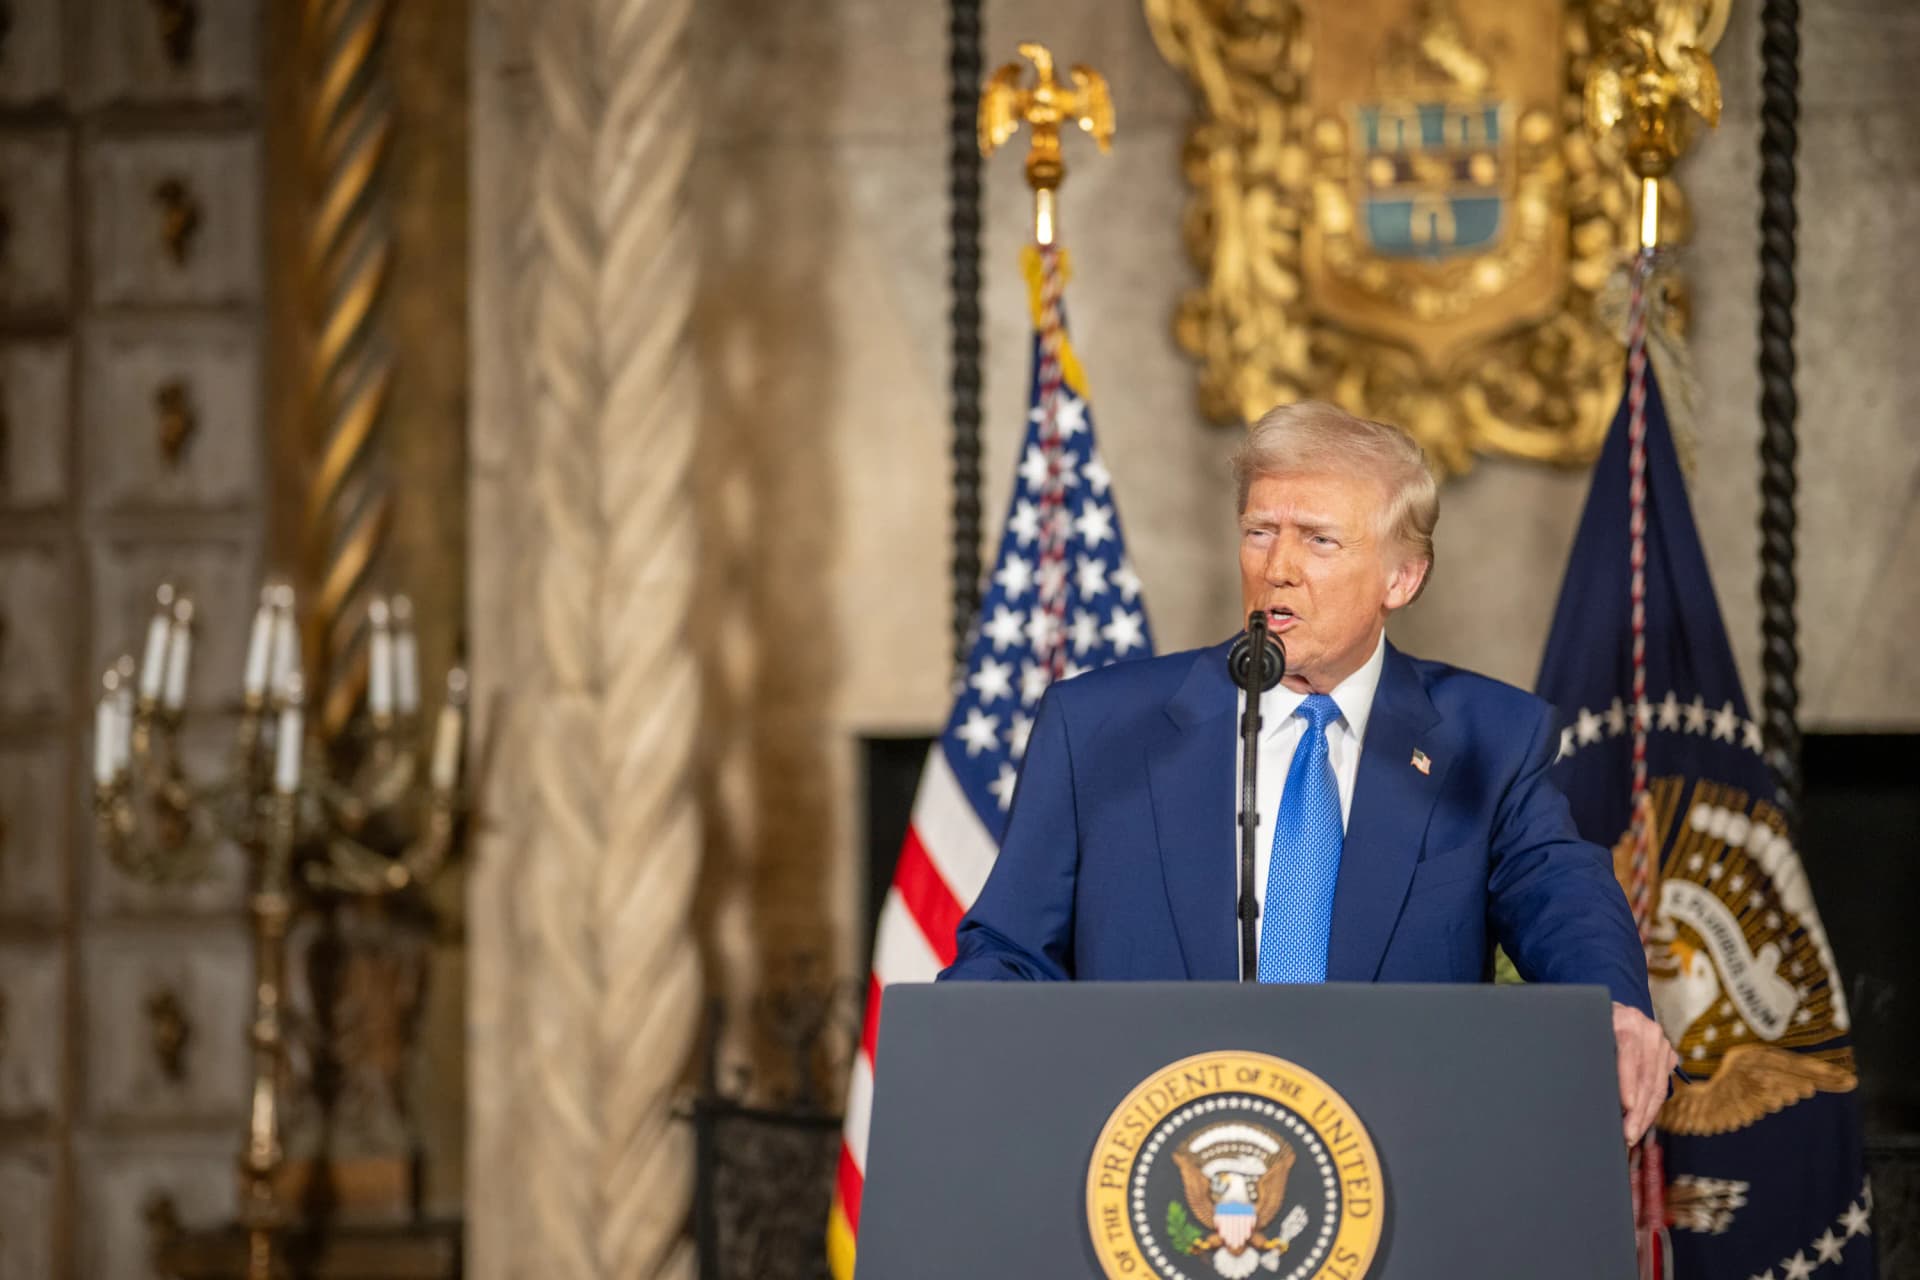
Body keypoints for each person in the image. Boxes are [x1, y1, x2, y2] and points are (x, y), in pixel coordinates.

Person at [940, 401, 1677, 1145]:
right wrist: (962, 1059)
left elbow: (1563, 896)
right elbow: (1009, 951)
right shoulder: (1098, 729)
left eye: (1319, 541)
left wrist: (1613, 1009)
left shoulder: (1489, 739)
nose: (1277, 568)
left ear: (1402, 578)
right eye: (1260, 532)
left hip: (1399, 1165)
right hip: (1150, 1166)